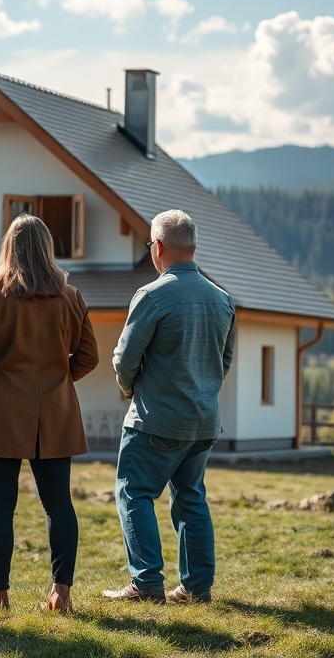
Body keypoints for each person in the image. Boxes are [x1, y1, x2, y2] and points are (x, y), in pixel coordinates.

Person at [0, 215, 99, 614]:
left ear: (8, 248)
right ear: (47, 249)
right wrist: (58, 378)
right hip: (55, 411)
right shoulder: (71, 296)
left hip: (0, 411)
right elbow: (89, 356)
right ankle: (61, 595)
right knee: (59, 504)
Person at [105, 209, 236, 605]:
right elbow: (224, 361)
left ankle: (146, 584)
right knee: (191, 498)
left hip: (155, 420)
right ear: (192, 248)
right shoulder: (223, 299)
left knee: (134, 492)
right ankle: (196, 588)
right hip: (203, 422)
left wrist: (129, 389)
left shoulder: (151, 296)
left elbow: (125, 359)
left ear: (157, 247)